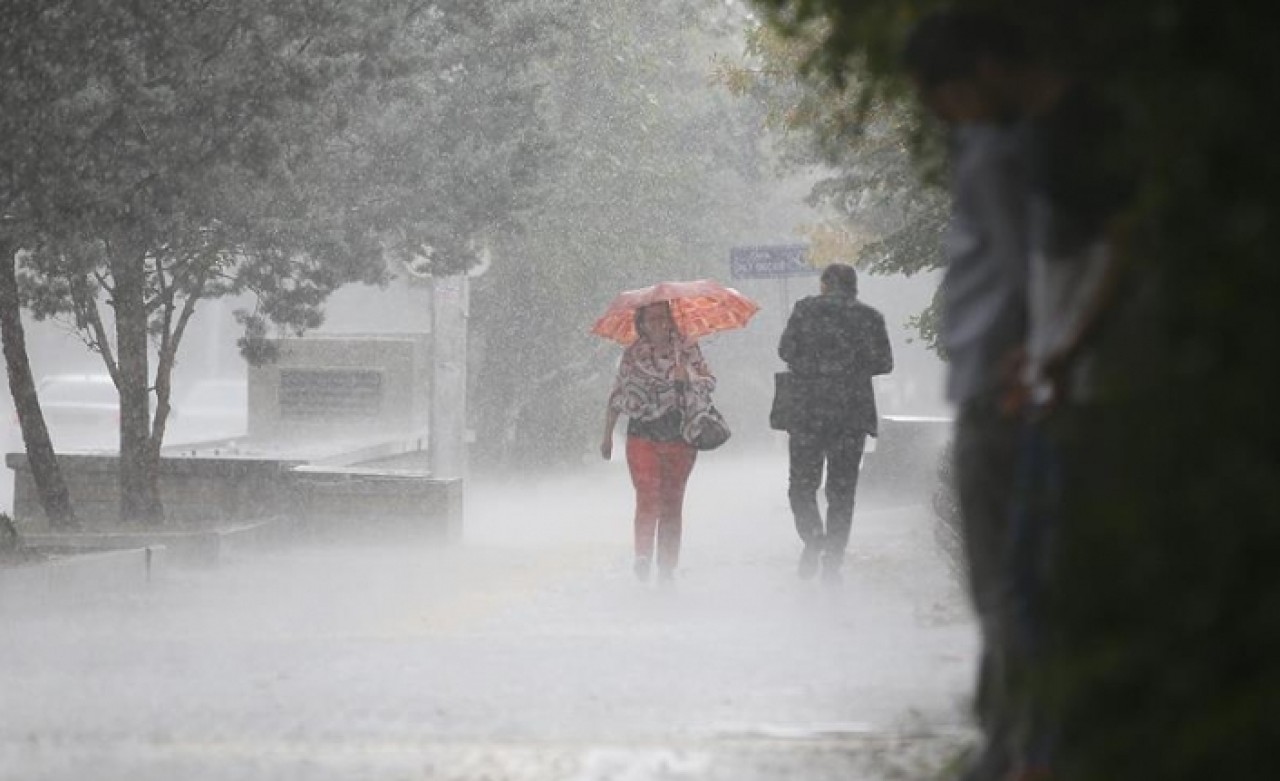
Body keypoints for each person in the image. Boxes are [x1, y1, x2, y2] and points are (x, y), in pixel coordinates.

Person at [902, 11, 1037, 781]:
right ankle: (1014, 735)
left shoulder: (1000, 154)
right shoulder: (1008, 148)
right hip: (1000, 383)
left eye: (935, 93)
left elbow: (1028, 267)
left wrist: (1043, 354)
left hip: (1005, 387)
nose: (934, 113)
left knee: (1006, 576)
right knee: (1006, 575)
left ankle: (1019, 744)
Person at [777, 263, 893, 585]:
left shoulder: (804, 311)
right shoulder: (870, 317)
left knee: (801, 486)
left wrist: (814, 364)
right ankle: (834, 560)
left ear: (825, 284)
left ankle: (814, 537)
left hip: (807, 414)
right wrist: (850, 365)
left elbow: (785, 350)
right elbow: (885, 363)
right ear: (853, 286)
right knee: (842, 491)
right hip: (851, 415)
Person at [601, 301, 716, 584]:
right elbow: (618, 394)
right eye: (651, 318)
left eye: (663, 318)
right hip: (642, 434)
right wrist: (607, 435)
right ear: (641, 322)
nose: (658, 324)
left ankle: (667, 566)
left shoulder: (687, 348)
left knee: (672, 502)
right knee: (647, 494)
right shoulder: (632, 355)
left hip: (679, 435)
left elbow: (708, 382)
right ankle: (642, 555)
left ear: (671, 320)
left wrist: (686, 376)